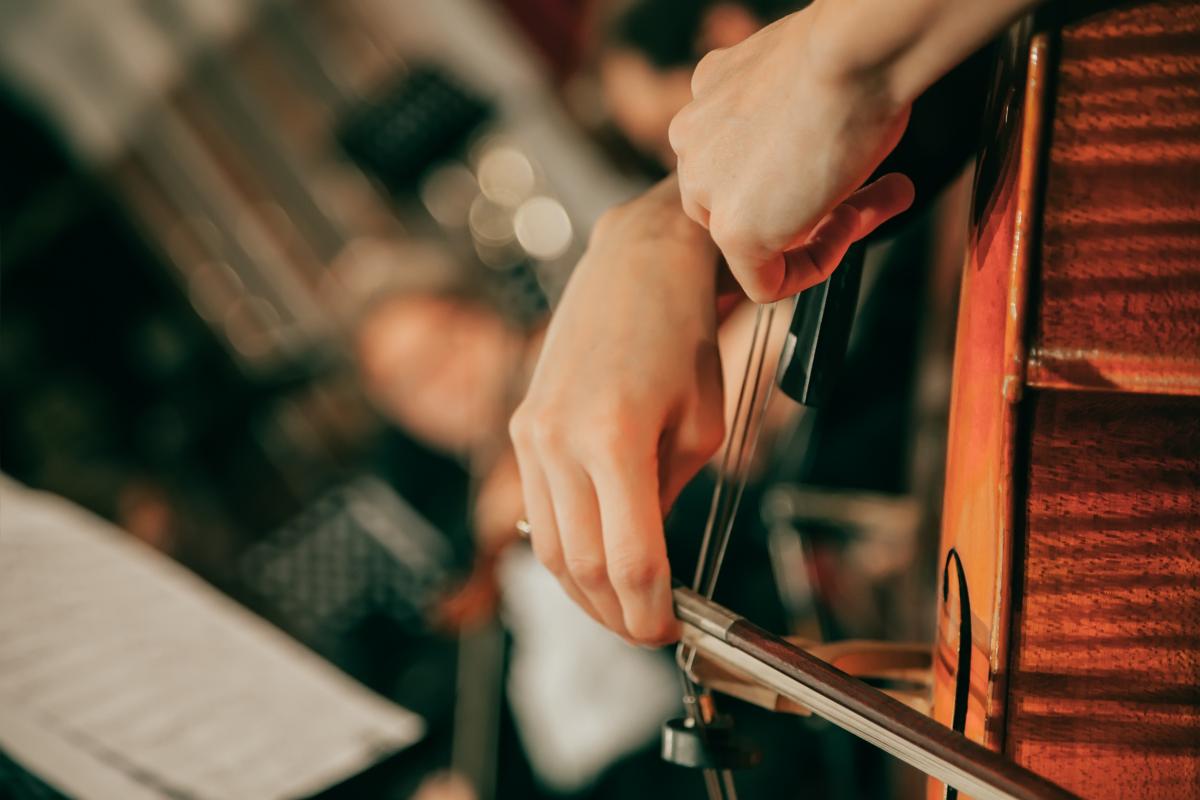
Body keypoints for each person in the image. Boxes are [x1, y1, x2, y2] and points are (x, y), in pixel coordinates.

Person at [510, 0, 1044, 644]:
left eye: (677, 128)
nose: (684, 163)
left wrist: (832, 58)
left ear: (727, 38)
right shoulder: (934, 110)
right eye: (662, 153)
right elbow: (942, 98)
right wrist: (657, 228)